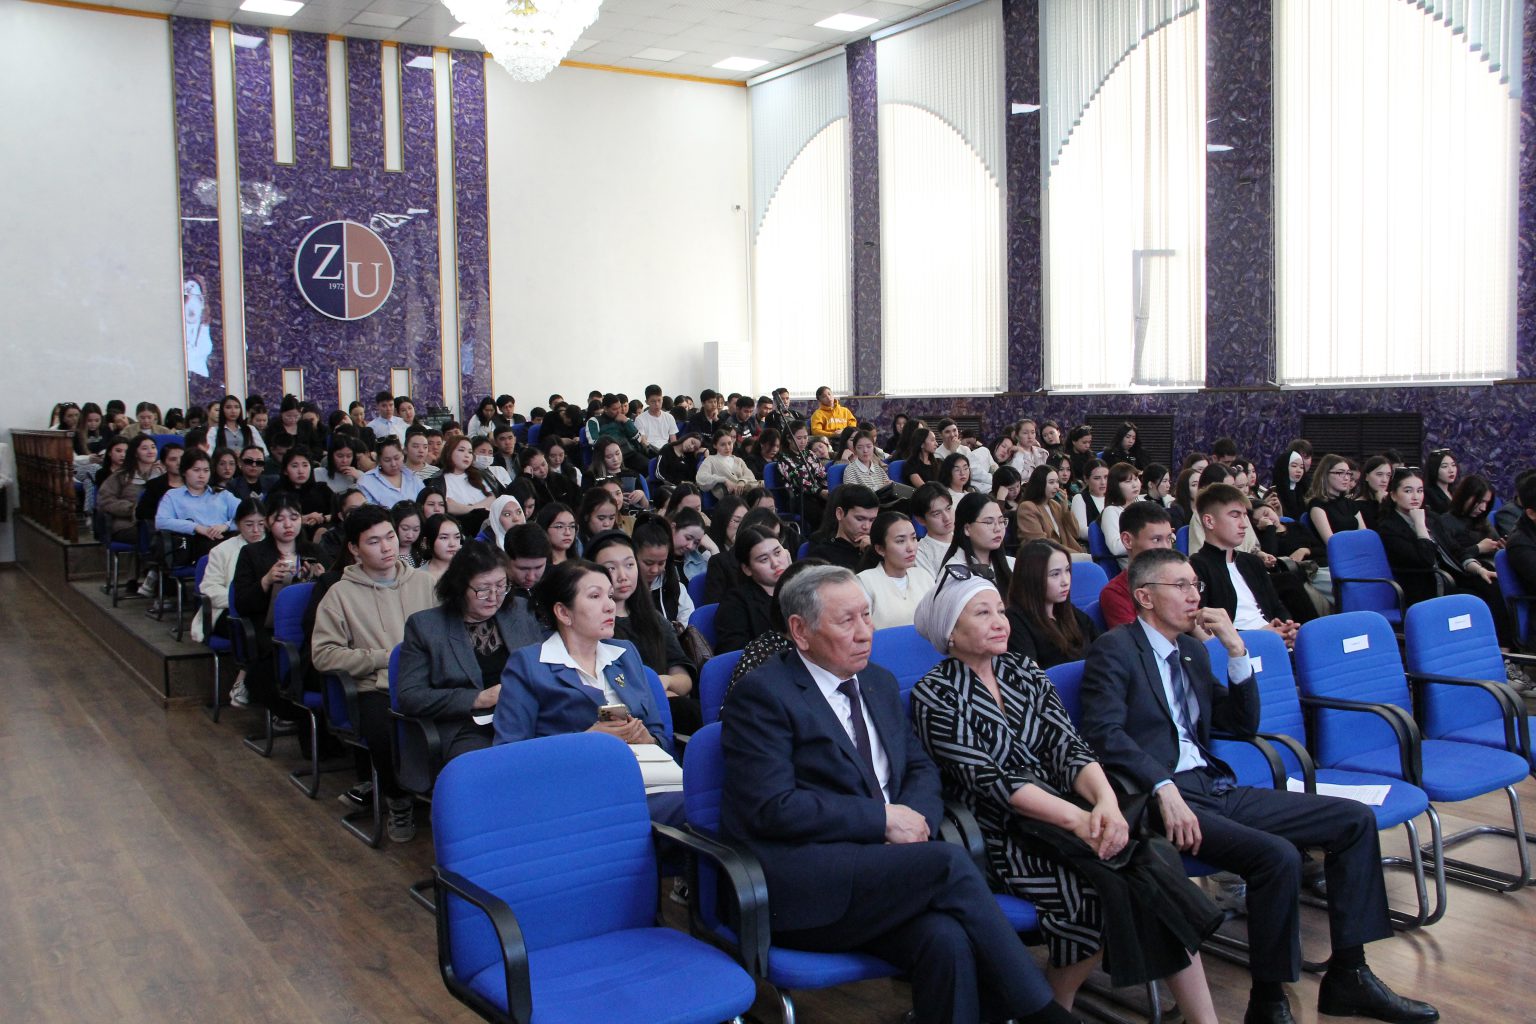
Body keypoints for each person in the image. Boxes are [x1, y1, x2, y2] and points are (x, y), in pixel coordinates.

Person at [1079, 548, 1439, 1024]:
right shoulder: (1115, 649)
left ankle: (1350, 976)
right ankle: (1268, 1002)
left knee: (1353, 820)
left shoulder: (1191, 651)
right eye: (1180, 586)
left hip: (1212, 787)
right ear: (1144, 597)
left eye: (1196, 585)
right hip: (1158, 800)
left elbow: (1238, 724)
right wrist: (1163, 785)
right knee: (1278, 856)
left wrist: (1236, 652)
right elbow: (1104, 733)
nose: (1194, 596)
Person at [720, 564, 1079, 1024]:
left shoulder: (879, 682)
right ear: (800, 631)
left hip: (890, 871)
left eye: (867, 616)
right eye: (846, 621)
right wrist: (884, 821)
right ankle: (1043, 1014)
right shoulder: (763, 695)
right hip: (810, 883)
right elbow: (772, 807)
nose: (865, 632)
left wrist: (915, 823)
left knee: (945, 939)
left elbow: (920, 769)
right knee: (948, 863)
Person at [909, 574, 1218, 1019]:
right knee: (1094, 896)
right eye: (982, 613)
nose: (1000, 622)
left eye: (1001, 611)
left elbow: (1069, 747)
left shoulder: (1024, 671)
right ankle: (1053, 1009)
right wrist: (1081, 822)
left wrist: (1106, 803)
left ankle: (1203, 1019)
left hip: (1066, 816)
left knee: (1155, 869)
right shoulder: (934, 694)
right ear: (950, 633)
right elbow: (995, 782)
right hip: (998, 834)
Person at [493, 559, 680, 822]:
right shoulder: (529, 665)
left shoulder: (625, 654)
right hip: (576, 791)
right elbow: (510, 754)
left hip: (643, 777)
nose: (610, 606)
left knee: (706, 801)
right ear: (563, 612)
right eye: (595, 596)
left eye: (610, 596)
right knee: (704, 808)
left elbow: (661, 735)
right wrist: (587, 741)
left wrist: (648, 738)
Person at [311, 504, 438, 842]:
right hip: (375, 688)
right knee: (386, 732)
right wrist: (383, 658)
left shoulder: (424, 583)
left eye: (390, 537)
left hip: (424, 681)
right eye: (373, 541)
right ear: (354, 549)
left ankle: (443, 797)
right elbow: (323, 655)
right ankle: (398, 800)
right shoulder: (339, 594)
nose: (386, 547)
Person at [397, 541, 542, 762]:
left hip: (525, 715)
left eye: (501, 585)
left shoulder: (519, 611)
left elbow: (542, 666)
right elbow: (411, 697)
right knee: (492, 764)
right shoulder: (426, 627)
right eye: (482, 589)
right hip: (466, 725)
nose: (494, 596)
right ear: (460, 587)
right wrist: (479, 698)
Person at [1374, 468, 1514, 648]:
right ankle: (1480, 647)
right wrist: (1420, 526)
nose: (1416, 496)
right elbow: (1425, 560)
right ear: (1393, 495)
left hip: (1448, 576)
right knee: (1473, 598)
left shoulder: (1431, 517)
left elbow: (1455, 550)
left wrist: (1479, 569)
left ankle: (1504, 647)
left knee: (1491, 584)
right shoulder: (1389, 527)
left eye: (1420, 491)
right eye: (1408, 491)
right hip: (1424, 583)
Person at [587, 531, 701, 735]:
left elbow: (684, 681)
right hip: (619, 716)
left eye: (629, 565)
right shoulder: (590, 625)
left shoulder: (653, 618)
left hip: (665, 708)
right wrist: (655, 692)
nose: (623, 576)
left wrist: (664, 682)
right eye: (611, 568)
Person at [1189, 484, 1299, 649]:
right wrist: (1263, 636)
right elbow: (1203, 626)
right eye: (1235, 516)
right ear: (1209, 521)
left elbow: (1276, 606)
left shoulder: (1252, 562)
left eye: (1244, 516)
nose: (1244, 524)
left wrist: (1287, 628)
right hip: (1237, 648)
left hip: (1273, 641)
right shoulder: (1196, 567)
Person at [191, 498, 267, 707]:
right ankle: (245, 678)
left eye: (261, 524)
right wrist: (240, 600)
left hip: (264, 610)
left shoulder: (273, 547)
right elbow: (209, 589)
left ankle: (251, 679)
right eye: (249, 524)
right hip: (227, 611)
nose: (256, 530)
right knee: (250, 627)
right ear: (238, 524)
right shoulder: (222, 551)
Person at [1004, 540, 1098, 669]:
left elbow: (1104, 647)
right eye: (1055, 574)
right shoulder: (1015, 621)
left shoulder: (1069, 612)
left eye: (1067, 570)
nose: (1065, 581)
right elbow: (1031, 675)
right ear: (1033, 578)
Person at [1098, 501, 1176, 629]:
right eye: (1156, 540)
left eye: (1169, 539)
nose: (1166, 548)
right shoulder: (1116, 593)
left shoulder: (1177, 581)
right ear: (1127, 540)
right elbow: (1135, 640)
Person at [715, 525, 791, 653]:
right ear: (747, 569)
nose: (775, 563)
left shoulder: (802, 589)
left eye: (778, 553)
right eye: (764, 559)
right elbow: (735, 654)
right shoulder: (735, 604)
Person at [155, 450, 241, 562]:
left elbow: (246, 515)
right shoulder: (173, 495)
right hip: (194, 543)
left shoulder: (222, 494)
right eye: (196, 470)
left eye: (206, 470)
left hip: (224, 538)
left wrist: (226, 526)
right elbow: (161, 521)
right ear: (184, 472)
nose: (201, 475)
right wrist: (196, 527)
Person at [858, 511, 936, 630]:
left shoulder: (924, 577)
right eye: (900, 541)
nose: (911, 548)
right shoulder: (865, 582)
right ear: (880, 549)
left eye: (913, 538)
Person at [97, 434, 163, 543]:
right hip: (127, 524)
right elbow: (105, 500)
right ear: (135, 453)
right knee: (154, 537)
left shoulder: (163, 474)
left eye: (153, 447)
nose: (150, 451)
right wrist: (132, 508)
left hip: (159, 522)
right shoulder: (121, 475)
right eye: (144, 448)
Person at [942, 493, 1014, 593]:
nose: (998, 528)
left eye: (1001, 521)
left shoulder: (1013, 564)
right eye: (989, 522)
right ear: (967, 529)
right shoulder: (954, 572)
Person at [1016, 466, 1088, 562]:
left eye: (1057, 482)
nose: (1056, 486)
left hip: (1064, 554)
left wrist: (1065, 508)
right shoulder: (1027, 507)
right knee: (1090, 560)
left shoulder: (1055, 505)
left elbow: (1075, 533)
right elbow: (1040, 543)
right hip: (1044, 557)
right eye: (1051, 482)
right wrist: (1075, 554)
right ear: (1040, 484)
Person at [433, 435, 498, 535]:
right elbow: (448, 506)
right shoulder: (439, 479)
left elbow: (492, 498)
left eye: (470, 452)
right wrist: (477, 508)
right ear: (449, 452)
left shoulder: (480, 475)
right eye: (461, 450)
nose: (467, 455)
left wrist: (469, 508)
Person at [808, 485, 880, 571]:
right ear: (840, 514)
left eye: (872, 520)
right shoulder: (822, 555)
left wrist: (874, 551)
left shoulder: (879, 550)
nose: (867, 527)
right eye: (859, 519)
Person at [1098, 463, 1142, 569]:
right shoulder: (1111, 511)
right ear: (1116, 486)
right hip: (1135, 568)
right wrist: (1145, 539)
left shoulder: (1144, 505)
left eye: (1136, 479)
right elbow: (1116, 548)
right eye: (1128, 481)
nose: (1135, 485)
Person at [358, 438, 423, 508]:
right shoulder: (366, 482)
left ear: (403, 455)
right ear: (379, 460)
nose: (393, 464)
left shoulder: (413, 478)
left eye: (397, 458)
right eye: (387, 460)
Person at [911, 483, 957, 580]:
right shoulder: (920, 552)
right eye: (937, 514)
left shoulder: (966, 538)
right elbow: (931, 586)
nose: (947, 518)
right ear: (921, 520)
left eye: (948, 509)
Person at [697, 429, 757, 499]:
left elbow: (750, 476)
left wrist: (742, 481)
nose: (727, 447)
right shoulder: (710, 460)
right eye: (723, 445)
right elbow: (701, 478)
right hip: (729, 498)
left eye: (729, 443)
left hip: (747, 494)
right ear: (715, 446)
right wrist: (724, 480)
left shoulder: (738, 460)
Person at [503, 522, 552, 600]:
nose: (531, 577)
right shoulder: (494, 590)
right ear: (506, 560)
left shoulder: (558, 581)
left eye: (538, 567)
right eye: (523, 569)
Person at [1069, 460, 1109, 541]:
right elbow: (1080, 531)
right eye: (1097, 478)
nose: (1103, 482)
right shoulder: (1080, 498)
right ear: (1086, 479)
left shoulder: (1115, 497)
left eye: (1106, 477)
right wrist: (1109, 534)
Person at [634, 384, 678, 452]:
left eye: (659, 400)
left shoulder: (669, 417)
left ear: (662, 399)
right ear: (647, 402)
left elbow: (673, 441)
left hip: (666, 451)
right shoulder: (640, 419)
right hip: (650, 451)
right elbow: (643, 442)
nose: (657, 404)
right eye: (653, 401)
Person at [1423, 449, 1458, 516]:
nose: (1451, 470)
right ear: (1434, 469)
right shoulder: (1428, 494)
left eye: (1453, 465)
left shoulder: (1455, 491)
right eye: (1445, 466)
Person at [391, 501, 424, 568]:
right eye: (405, 529)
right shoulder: (388, 555)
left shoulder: (422, 554)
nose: (410, 536)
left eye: (416, 530)